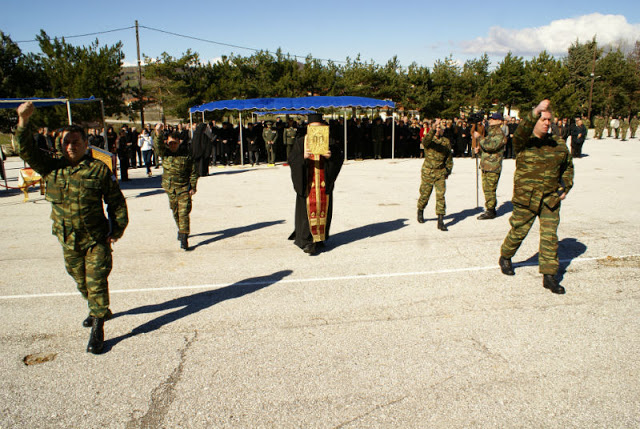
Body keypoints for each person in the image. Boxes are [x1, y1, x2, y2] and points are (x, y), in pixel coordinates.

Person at [14, 101, 128, 354]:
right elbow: (26, 150)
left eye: (76, 142)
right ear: (59, 145)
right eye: (66, 142)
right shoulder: (51, 168)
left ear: (86, 144)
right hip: (67, 239)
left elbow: (116, 202)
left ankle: (98, 327)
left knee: (97, 281)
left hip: (96, 238)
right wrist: (23, 121)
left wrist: (116, 229)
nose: (71, 146)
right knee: (79, 280)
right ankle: (98, 308)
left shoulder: (98, 170)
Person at [499, 99, 574, 295]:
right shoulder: (523, 142)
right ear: (535, 120)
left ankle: (549, 276)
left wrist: (566, 185)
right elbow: (522, 129)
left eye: (549, 119)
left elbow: (567, 167)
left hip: (550, 199)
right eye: (543, 119)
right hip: (527, 198)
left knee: (550, 237)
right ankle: (506, 256)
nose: (547, 123)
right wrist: (535, 111)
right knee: (519, 231)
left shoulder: (558, 144)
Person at [288, 113, 343, 255]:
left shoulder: (329, 141)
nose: (316, 130)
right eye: (313, 128)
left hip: (323, 182)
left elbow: (338, 158)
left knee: (323, 211)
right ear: (308, 128)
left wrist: (330, 158)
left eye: (318, 127)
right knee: (307, 213)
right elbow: (292, 160)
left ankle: (320, 238)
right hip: (308, 183)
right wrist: (303, 157)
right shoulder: (301, 142)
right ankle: (306, 241)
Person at [154, 123, 199, 250]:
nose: (172, 145)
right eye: (170, 143)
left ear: (179, 142)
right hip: (170, 188)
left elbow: (193, 172)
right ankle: (181, 229)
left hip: (184, 188)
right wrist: (158, 132)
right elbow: (158, 146)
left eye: (175, 143)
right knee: (175, 212)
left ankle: (184, 237)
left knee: (184, 212)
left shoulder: (186, 154)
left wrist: (193, 186)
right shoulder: (165, 153)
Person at [416, 118, 453, 231]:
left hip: (440, 172)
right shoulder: (429, 140)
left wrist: (448, 170)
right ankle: (420, 209)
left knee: (440, 196)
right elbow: (425, 142)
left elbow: (449, 158)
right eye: (436, 128)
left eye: (440, 128)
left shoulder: (446, 141)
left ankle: (440, 220)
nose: (438, 130)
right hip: (428, 171)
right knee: (425, 194)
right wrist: (432, 129)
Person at [475, 112, 506, 220]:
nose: (490, 120)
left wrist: (480, 138)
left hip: (493, 166)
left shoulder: (499, 134)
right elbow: (486, 148)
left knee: (490, 189)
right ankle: (490, 208)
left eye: (493, 119)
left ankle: (491, 210)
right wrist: (479, 151)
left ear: (499, 121)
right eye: (490, 119)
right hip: (486, 165)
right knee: (486, 188)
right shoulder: (490, 133)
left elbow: (491, 146)